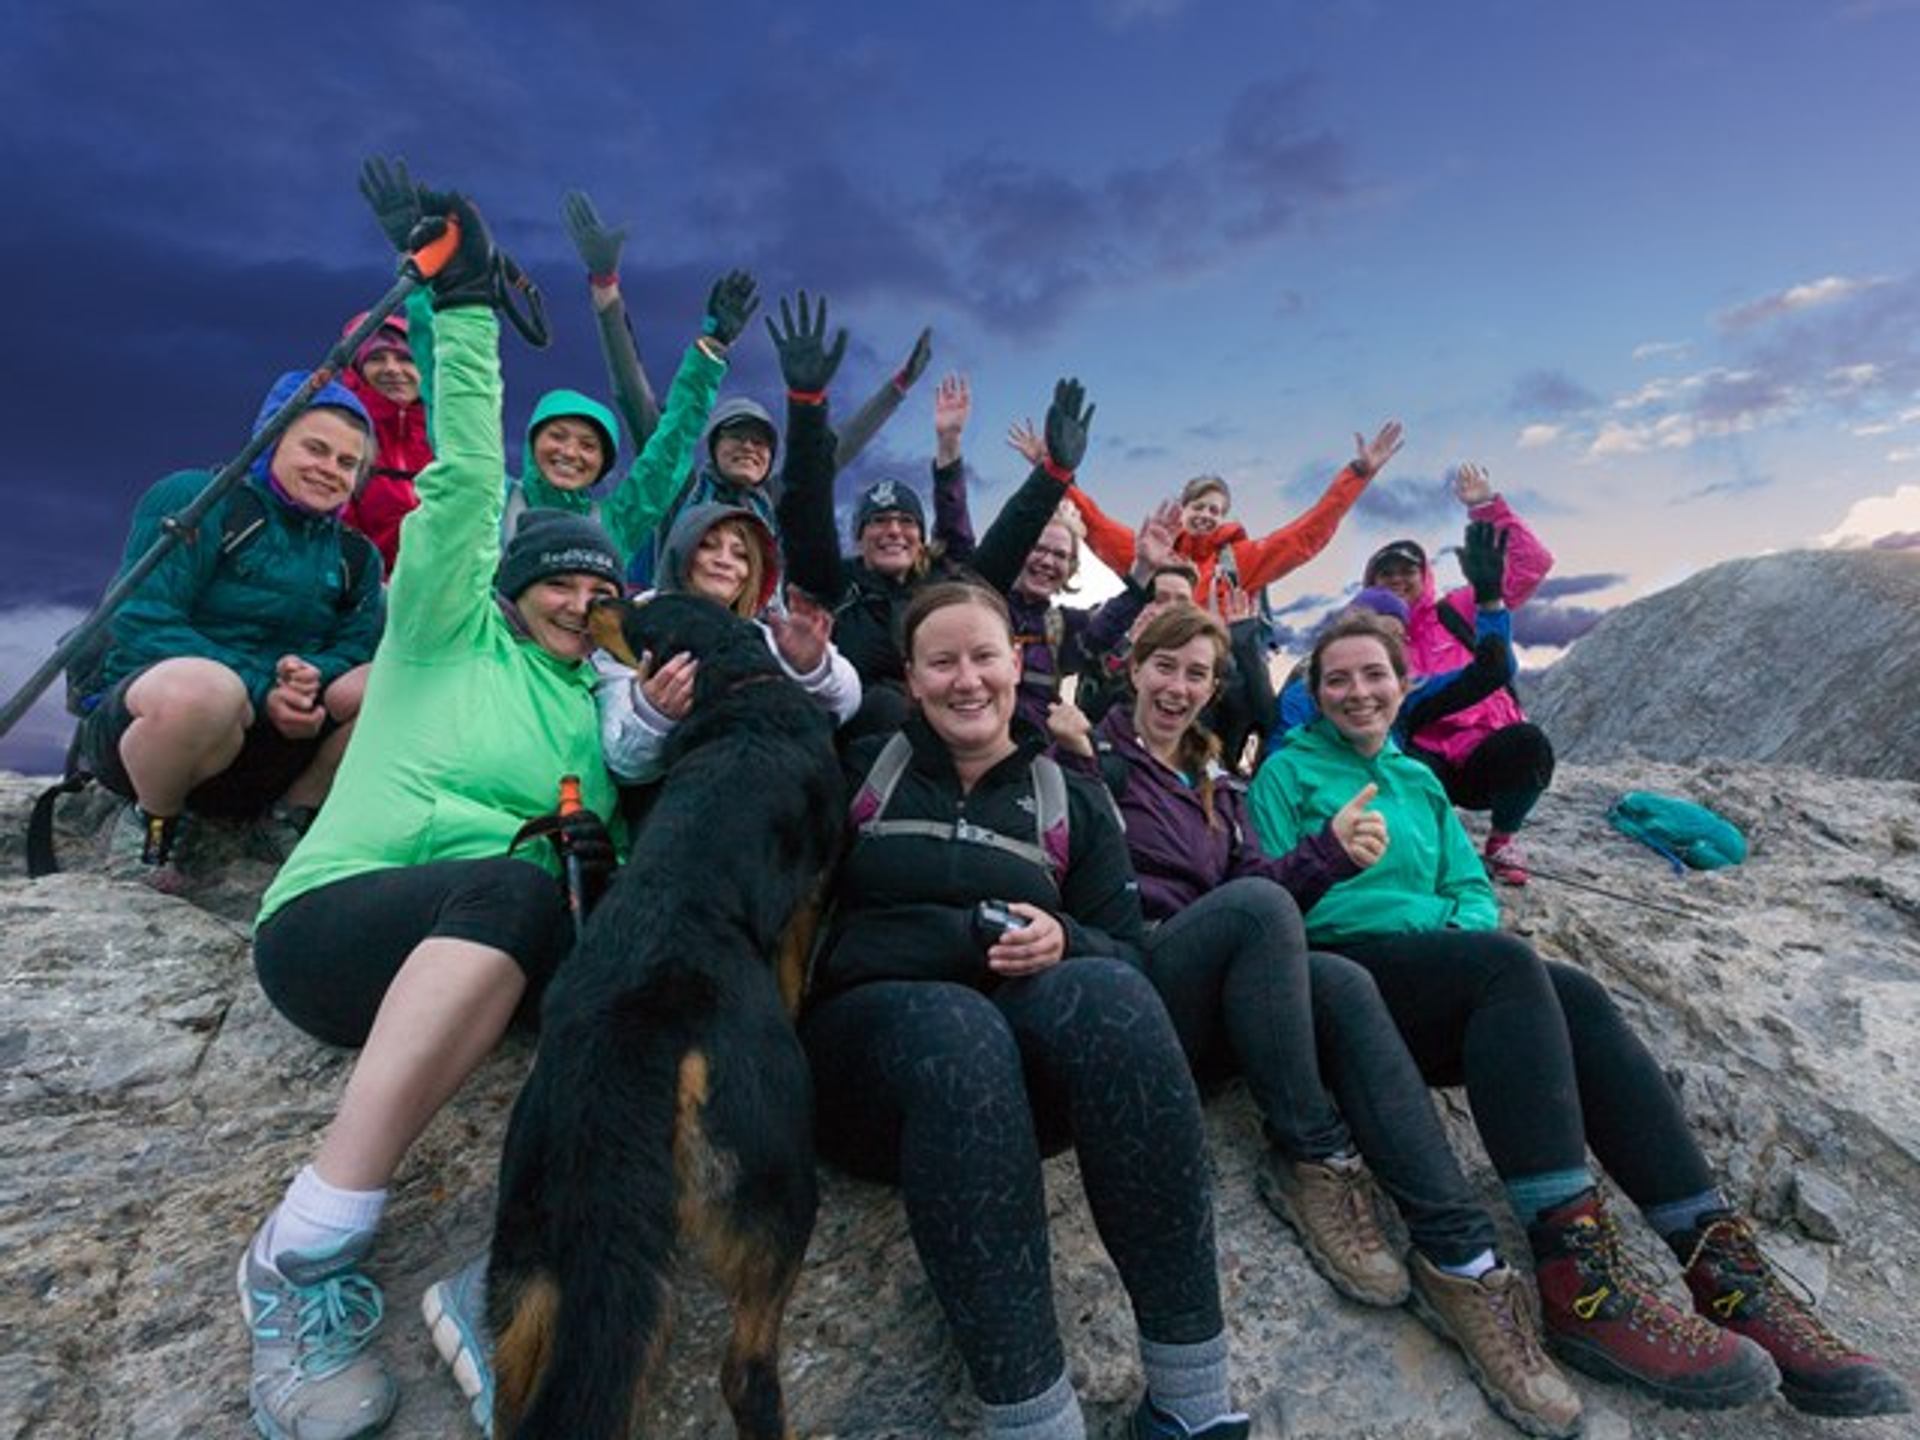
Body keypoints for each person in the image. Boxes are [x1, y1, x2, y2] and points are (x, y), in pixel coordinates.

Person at [1249, 613, 1911, 1421]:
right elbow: (1275, 906)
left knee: (1575, 993)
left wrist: (1454, 931)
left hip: (1443, 973)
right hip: (1352, 978)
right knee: (1508, 966)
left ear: (1402, 683)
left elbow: (1472, 890)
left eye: (1373, 675)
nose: (1358, 692)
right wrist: (1408, 910)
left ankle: (1724, 1268)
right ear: (1315, 694)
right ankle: (1577, 1281)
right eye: (1337, 679)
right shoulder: (1285, 776)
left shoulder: (1419, 781)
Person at [237, 189, 629, 1440]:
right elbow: (462, 483)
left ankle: (509, 1277)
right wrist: (464, 315)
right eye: (557, 581)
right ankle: (302, 1252)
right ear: (513, 589)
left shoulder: (600, 715)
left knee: (633, 962)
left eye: (600, 591)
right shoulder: (442, 637)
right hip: (338, 930)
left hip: (490, 961)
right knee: (515, 880)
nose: (579, 601)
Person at [1049, 604, 1582, 1438]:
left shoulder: (1216, 784)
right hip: (1144, 982)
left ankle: (1461, 1258)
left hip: (1228, 993)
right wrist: (1078, 759)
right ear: (1133, 669)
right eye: (1165, 667)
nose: (1179, 687)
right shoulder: (1089, 759)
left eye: (1197, 674)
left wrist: (1327, 854)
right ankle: (1312, 1147)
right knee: (1267, 913)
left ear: (1214, 688)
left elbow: (1268, 897)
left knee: (1334, 977)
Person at [802, 581, 1251, 1440]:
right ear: (912, 678)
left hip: (1015, 1081)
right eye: (942, 662)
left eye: (984, 656)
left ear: (1017, 663)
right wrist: (957, 935)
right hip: (870, 1065)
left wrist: (1065, 938)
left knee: (1114, 996)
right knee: (959, 1030)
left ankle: (1193, 1405)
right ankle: (1035, 1424)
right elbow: (807, 931)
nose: (966, 680)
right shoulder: (860, 771)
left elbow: (1131, 956)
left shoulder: (1070, 798)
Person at [80, 371, 384, 889]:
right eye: (315, 449)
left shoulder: (357, 556)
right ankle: (152, 823)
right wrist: (264, 688)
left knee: (396, 681)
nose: (329, 470)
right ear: (270, 439)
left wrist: (310, 677)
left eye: (347, 463)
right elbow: (140, 617)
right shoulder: (199, 499)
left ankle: (288, 818)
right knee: (205, 689)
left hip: (272, 746)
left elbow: (353, 646)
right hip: (166, 724)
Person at [561, 187, 933, 581]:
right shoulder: (676, 485)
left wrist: (897, 387)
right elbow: (632, 393)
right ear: (713, 446)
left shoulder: (774, 502)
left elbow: (833, 452)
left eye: (761, 442)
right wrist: (606, 287)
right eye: (737, 436)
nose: (749, 447)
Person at [771, 294, 1095, 735]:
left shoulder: (945, 588)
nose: (893, 530)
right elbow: (805, 505)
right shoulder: (834, 585)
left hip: (947, 747)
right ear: (859, 536)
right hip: (851, 752)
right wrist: (807, 406)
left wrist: (1053, 474)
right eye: (879, 521)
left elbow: (1010, 539)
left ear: (922, 538)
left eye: (906, 522)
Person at [1360, 462, 1554, 883]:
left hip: (1488, 746)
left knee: (1530, 745)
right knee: (1406, 770)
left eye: (1407, 570)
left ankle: (1502, 839)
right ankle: (1437, 839)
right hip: (1427, 754)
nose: (1397, 580)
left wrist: (1487, 508)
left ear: (1424, 574)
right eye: (1386, 573)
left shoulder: (1459, 608)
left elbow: (1531, 566)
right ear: (1371, 584)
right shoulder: (1368, 640)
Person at [595, 501, 861, 785]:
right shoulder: (626, 627)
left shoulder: (765, 634)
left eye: (741, 555)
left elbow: (846, 704)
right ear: (680, 552)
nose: (723, 560)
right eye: (707, 546)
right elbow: (620, 763)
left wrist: (812, 669)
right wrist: (652, 716)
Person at [1060, 423, 1404, 617]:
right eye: (1198, 507)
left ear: (1224, 517)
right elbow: (1096, 525)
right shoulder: (1150, 553)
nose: (1205, 515)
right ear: (1183, 509)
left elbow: (1306, 535)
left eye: (1215, 511)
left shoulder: (1241, 561)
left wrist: (1357, 474)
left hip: (1214, 676)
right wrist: (1057, 474)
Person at [336, 305, 432, 575]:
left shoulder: (446, 438)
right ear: (357, 370)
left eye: (405, 359)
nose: (392, 369)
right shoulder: (341, 436)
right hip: (360, 589)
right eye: (377, 358)